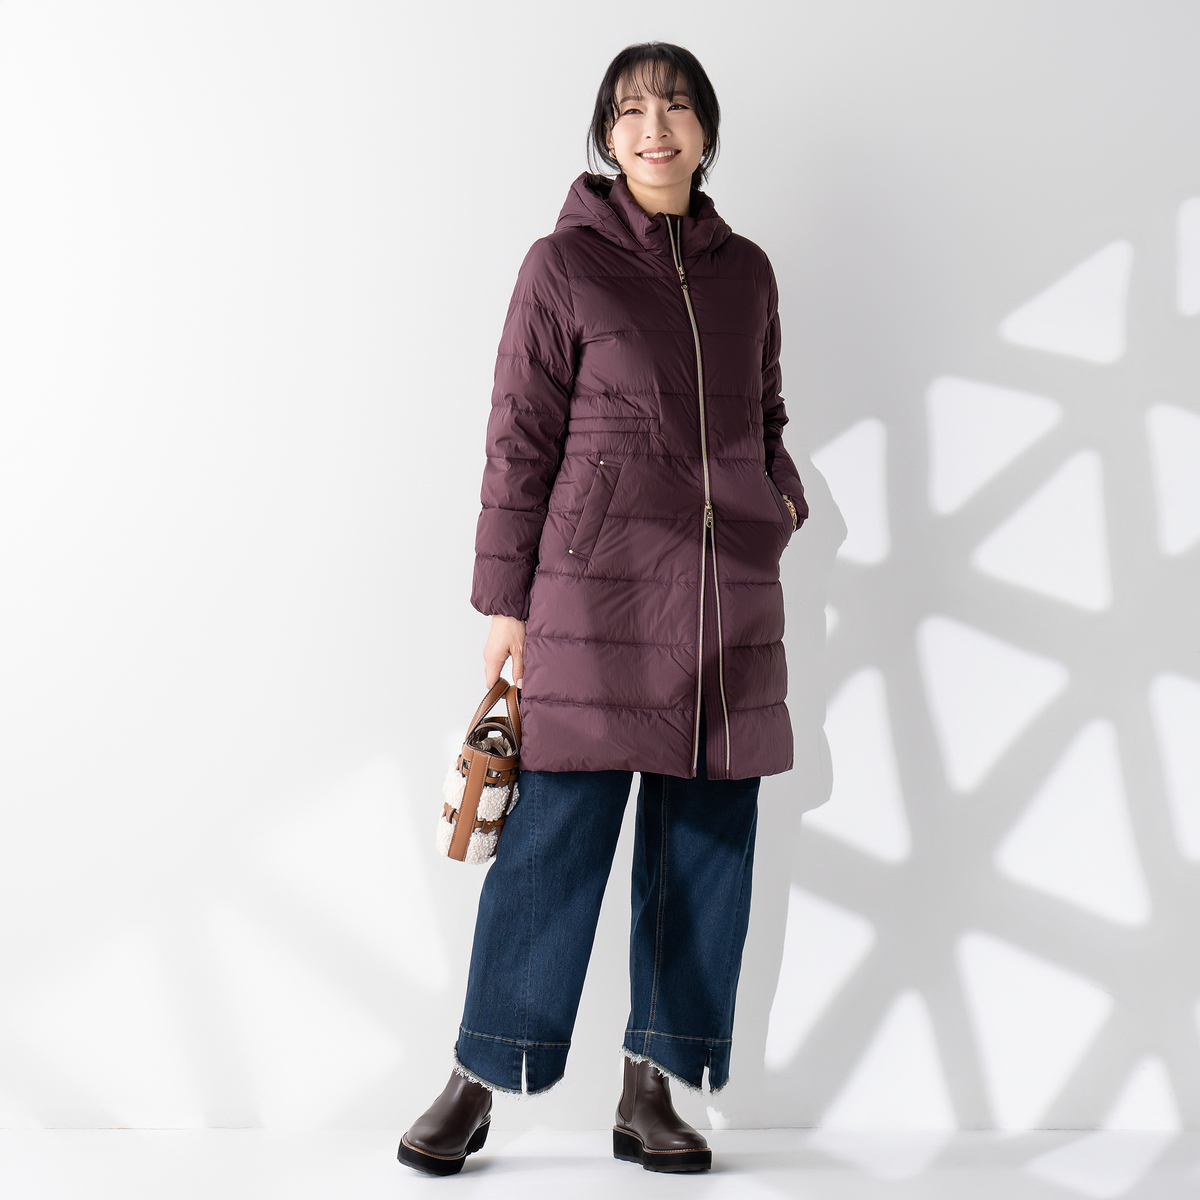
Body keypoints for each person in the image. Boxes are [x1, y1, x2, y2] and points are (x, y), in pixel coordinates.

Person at [398, 40, 807, 1177]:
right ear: (607, 136)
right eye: (630, 111)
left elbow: (765, 413)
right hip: (594, 596)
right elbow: (519, 436)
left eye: (675, 107)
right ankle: (479, 1076)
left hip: (724, 605)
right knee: (551, 846)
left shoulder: (747, 273)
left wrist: (779, 497)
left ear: (705, 132)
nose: (653, 128)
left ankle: (652, 1087)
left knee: (705, 850)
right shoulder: (563, 266)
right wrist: (506, 602)